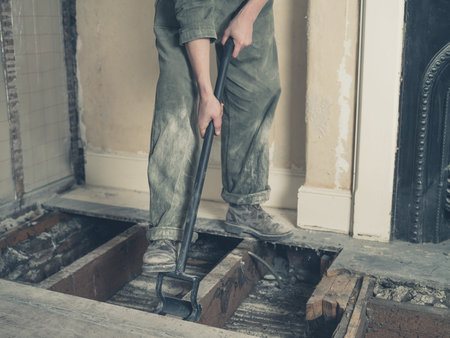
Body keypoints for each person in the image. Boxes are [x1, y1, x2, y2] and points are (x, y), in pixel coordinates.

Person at [143, 0, 293, 273]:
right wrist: (206, 93)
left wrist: (248, 14)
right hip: (184, 7)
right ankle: (167, 231)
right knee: (177, 104)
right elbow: (192, 8)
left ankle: (244, 204)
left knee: (257, 90)